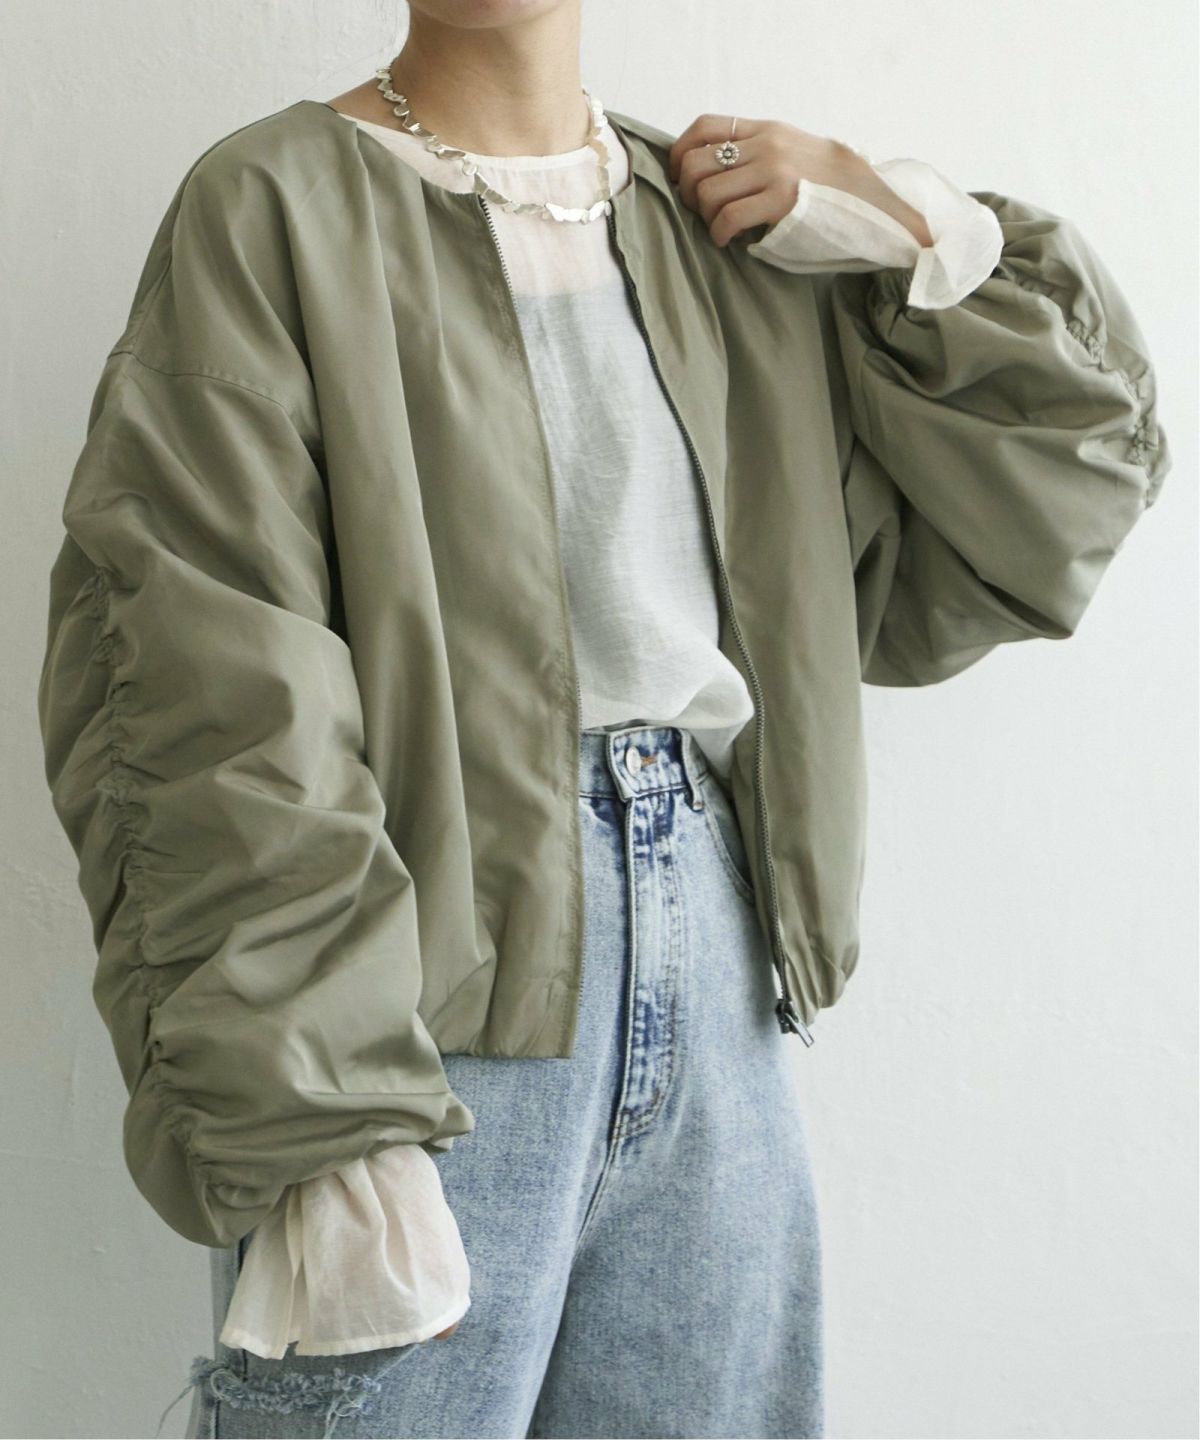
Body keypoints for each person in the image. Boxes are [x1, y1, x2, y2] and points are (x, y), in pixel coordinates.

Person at [36, 2, 1170, 1437]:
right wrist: (314, 1105)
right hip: (417, 1002)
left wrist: (909, 231)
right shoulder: (274, 207)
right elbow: (202, 678)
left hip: (723, 981)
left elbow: (1067, 482)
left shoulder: (726, 230)